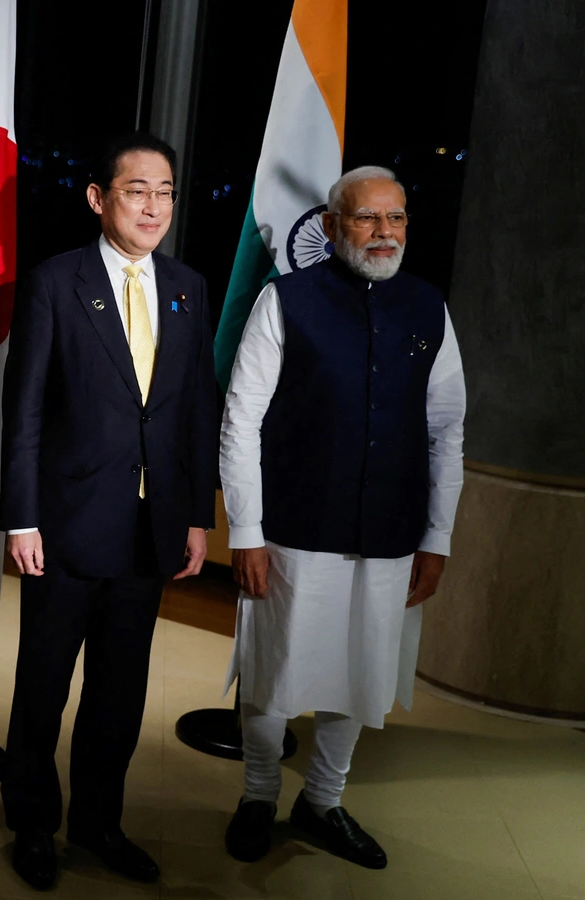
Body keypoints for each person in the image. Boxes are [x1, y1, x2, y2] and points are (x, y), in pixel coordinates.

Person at [219, 166, 466, 869]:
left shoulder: (429, 307)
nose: (384, 233)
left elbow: (447, 428)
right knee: (274, 674)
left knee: (361, 672)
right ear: (331, 226)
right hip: (292, 530)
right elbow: (241, 423)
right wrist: (246, 531)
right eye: (366, 219)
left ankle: (323, 800)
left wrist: (438, 535)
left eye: (397, 218)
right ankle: (259, 795)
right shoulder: (285, 300)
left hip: (391, 533)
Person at [0, 132, 219, 890]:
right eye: (137, 190)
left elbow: (194, 411)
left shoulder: (189, 287)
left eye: (165, 191)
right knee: (43, 686)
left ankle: (98, 822)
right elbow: (23, 409)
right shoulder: (54, 284)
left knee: (120, 693)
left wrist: (196, 516)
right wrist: (20, 517)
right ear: (99, 198)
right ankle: (32, 821)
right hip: (64, 523)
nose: (153, 206)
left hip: (149, 528)